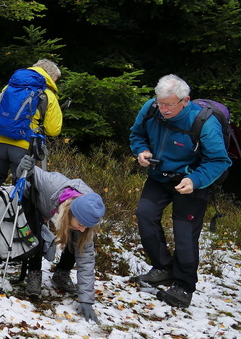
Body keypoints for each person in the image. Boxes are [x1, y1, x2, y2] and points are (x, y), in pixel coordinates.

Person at [129, 74, 231, 308]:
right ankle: (163, 267)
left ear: (185, 101)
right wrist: (142, 150)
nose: (163, 109)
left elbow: (219, 161)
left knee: (184, 234)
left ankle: (184, 286)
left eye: (169, 104)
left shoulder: (204, 122)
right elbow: (137, 134)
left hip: (191, 183)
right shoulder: (151, 108)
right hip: (159, 176)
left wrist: (194, 180)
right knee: (145, 215)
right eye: (160, 103)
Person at [14, 154, 105, 324]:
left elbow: (86, 259)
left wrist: (86, 300)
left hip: (62, 215)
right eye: (81, 223)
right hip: (35, 203)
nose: (84, 228)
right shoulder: (51, 184)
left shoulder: (88, 213)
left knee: (78, 238)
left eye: (87, 226)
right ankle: (34, 272)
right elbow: (26, 172)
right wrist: (24, 165)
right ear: (71, 212)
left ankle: (61, 274)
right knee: (35, 234)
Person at [0, 59, 63, 208]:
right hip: (23, 145)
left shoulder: (10, 86)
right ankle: (15, 218)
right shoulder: (47, 94)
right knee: (22, 182)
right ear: (50, 76)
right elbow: (53, 130)